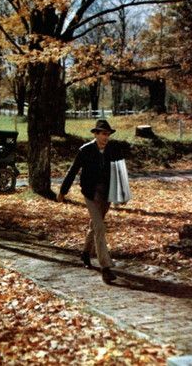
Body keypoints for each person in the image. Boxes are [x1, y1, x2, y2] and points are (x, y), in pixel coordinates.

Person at [57, 119, 126, 284]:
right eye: (103, 134)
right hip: (90, 193)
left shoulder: (113, 150)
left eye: (108, 134)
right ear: (96, 134)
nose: (105, 137)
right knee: (100, 227)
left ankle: (85, 253)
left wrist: (122, 194)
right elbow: (73, 170)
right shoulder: (85, 150)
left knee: (95, 225)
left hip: (106, 194)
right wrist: (63, 191)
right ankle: (106, 268)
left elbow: (120, 172)